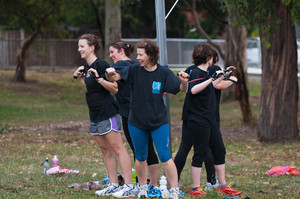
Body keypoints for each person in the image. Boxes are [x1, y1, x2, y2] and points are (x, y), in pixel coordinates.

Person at [106, 39, 188, 198]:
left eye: (141, 55)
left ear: (151, 56)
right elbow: (115, 78)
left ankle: (174, 190)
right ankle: (142, 188)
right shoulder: (134, 69)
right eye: (137, 54)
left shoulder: (163, 73)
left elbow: (181, 88)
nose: (138, 57)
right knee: (140, 157)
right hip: (136, 122)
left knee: (165, 157)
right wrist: (110, 74)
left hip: (159, 122)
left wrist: (184, 82)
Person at [73, 34, 137, 198]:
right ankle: (114, 184)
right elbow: (94, 88)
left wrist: (99, 78)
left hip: (108, 112)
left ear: (92, 47)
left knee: (118, 148)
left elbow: (114, 87)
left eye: (82, 46)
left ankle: (129, 185)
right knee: (105, 150)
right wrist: (82, 78)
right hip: (94, 113)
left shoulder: (101, 65)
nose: (79, 49)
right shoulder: (88, 67)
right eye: (79, 46)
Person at [174, 43, 241, 197]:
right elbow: (193, 89)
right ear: (209, 58)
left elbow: (209, 86)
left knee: (219, 149)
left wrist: (222, 76)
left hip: (209, 118)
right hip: (198, 119)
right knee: (200, 152)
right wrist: (212, 78)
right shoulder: (196, 72)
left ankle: (222, 185)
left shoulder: (205, 73)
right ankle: (195, 187)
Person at [109, 40, 160, 187]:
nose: (111, 55)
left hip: (129, 114)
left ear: (121, 51)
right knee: (148, 148)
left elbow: (108, 79)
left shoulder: (120, 66)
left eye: (112, 52)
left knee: (139, 150)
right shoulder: (137, 66)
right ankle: (153, 183)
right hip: (144, 111)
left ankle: (144, 183)